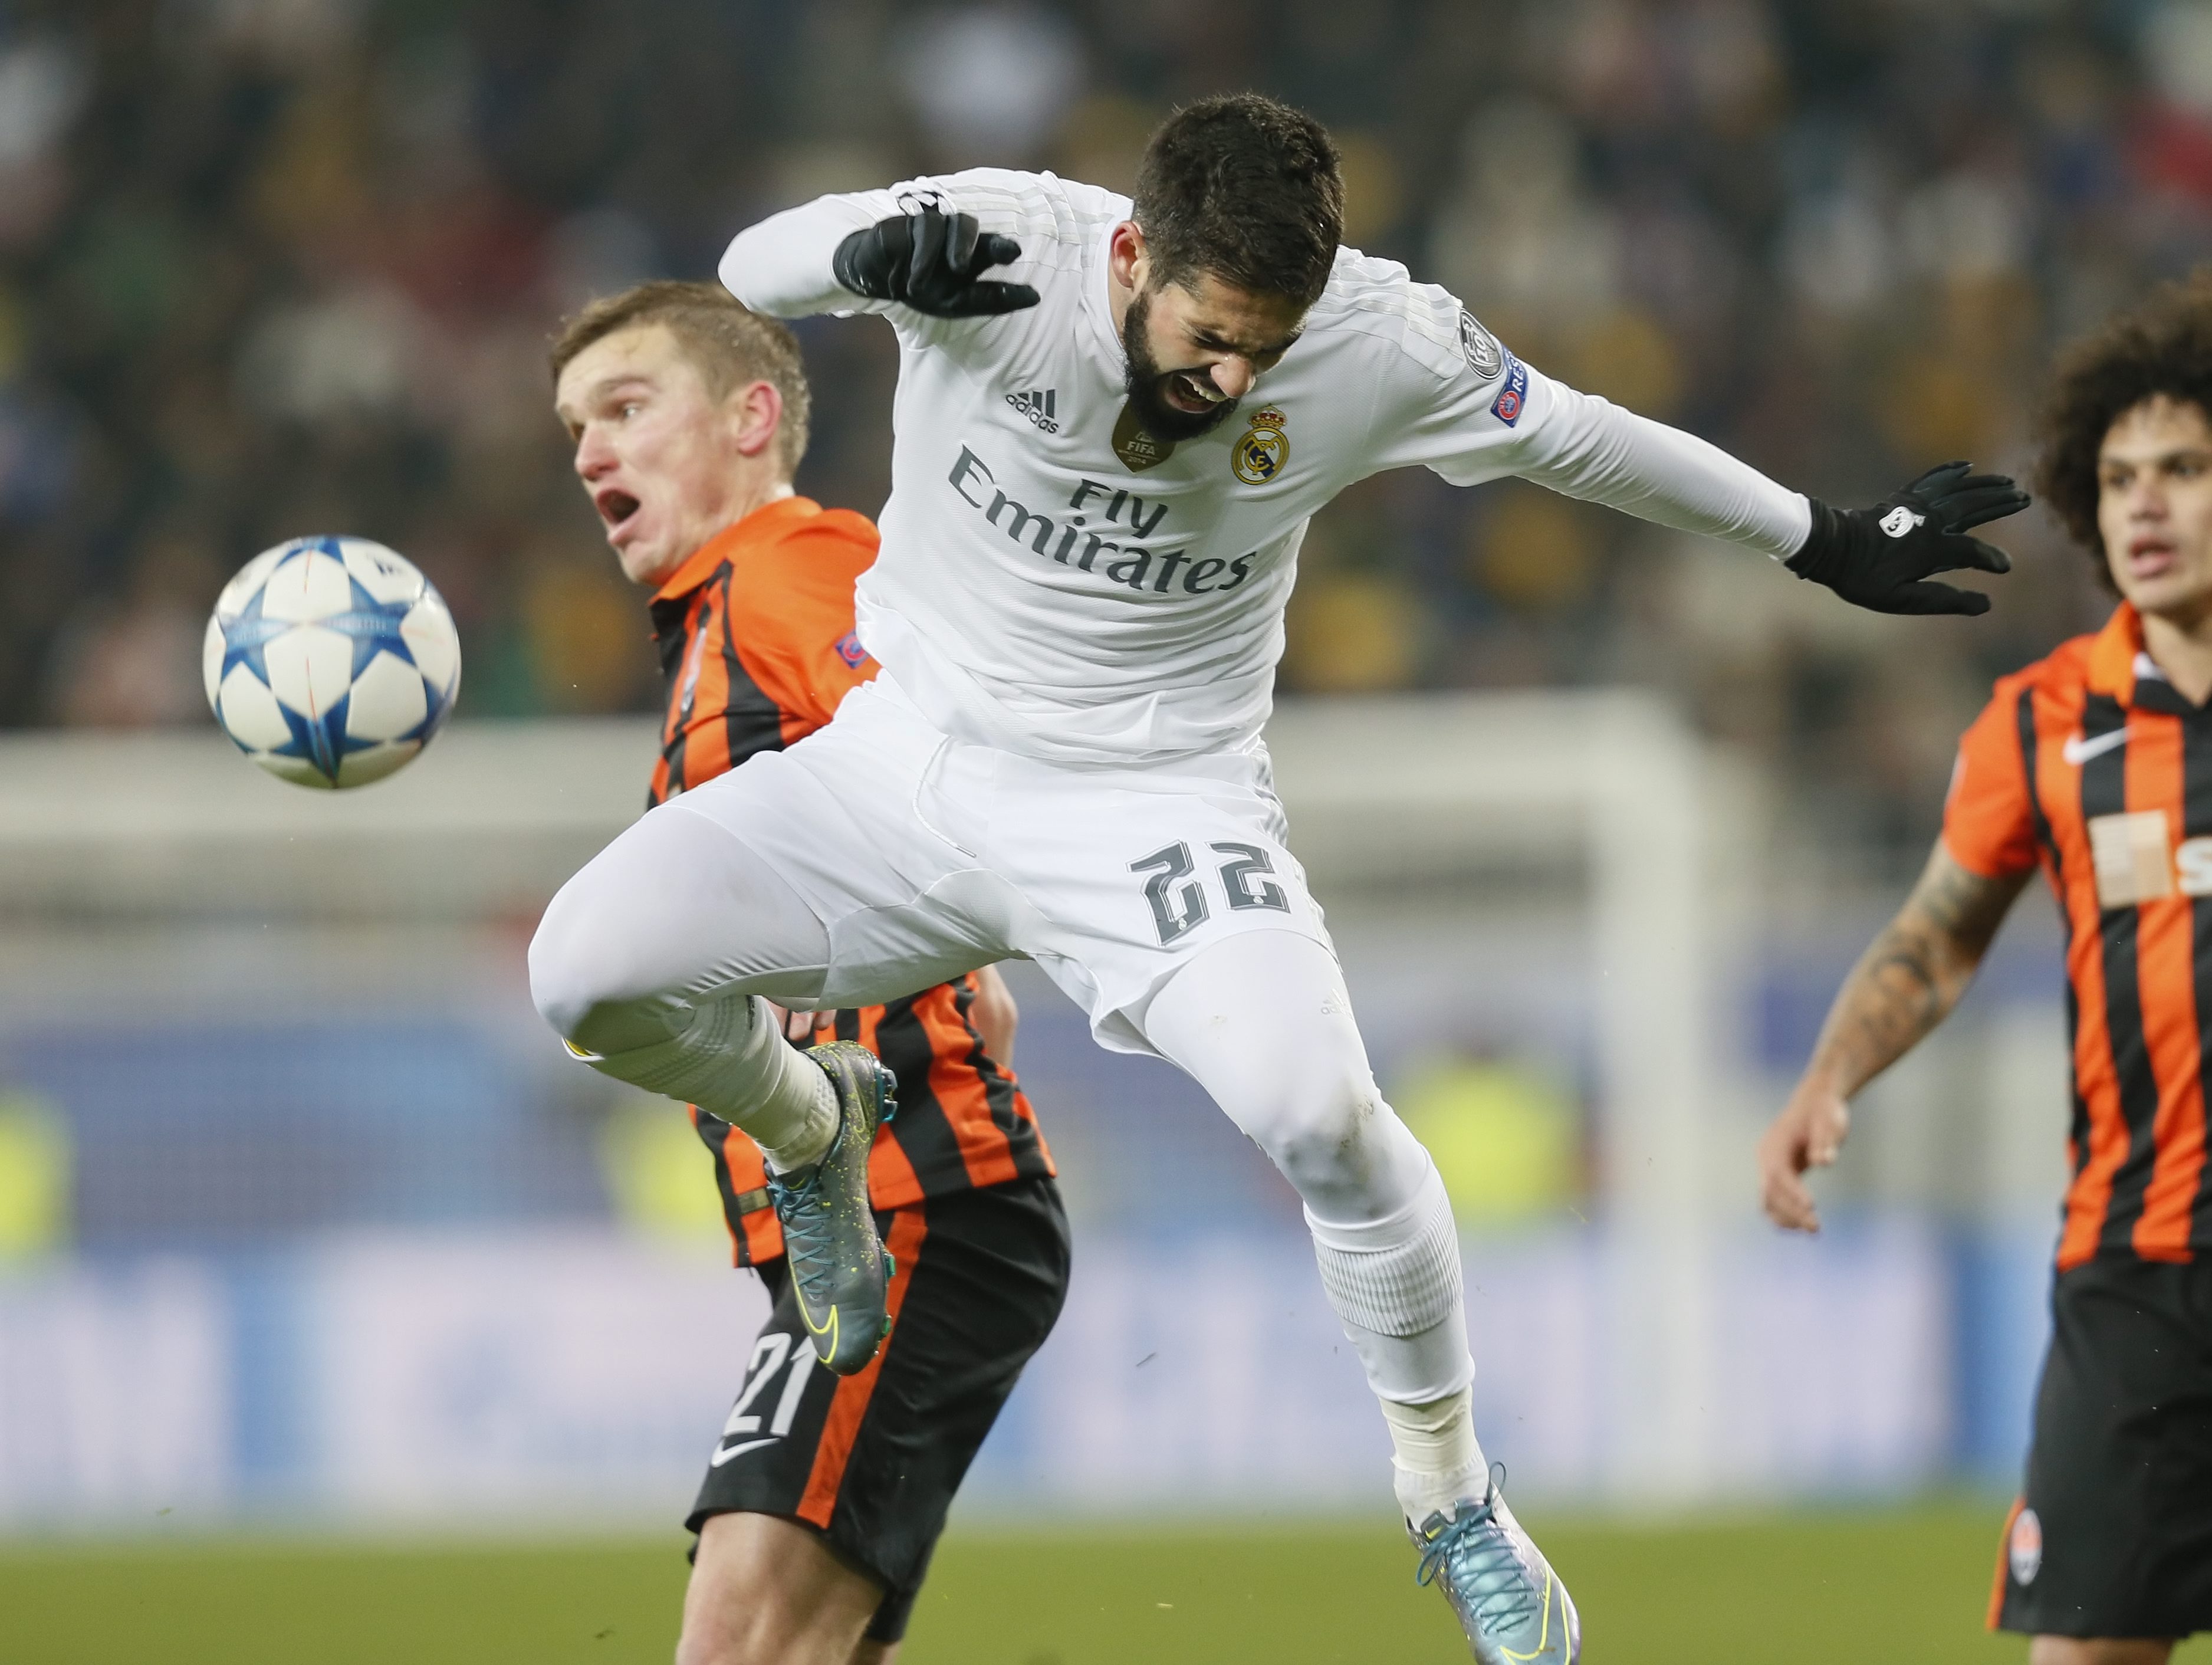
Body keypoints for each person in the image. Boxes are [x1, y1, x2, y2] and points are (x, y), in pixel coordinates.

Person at [530, 95, 2025, 1664]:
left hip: (1154, 808)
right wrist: (860, 250)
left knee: (1324, 1119)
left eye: (1266, 343)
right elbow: (752, 269)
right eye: (1208, 335)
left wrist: (1826, 539)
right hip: (906, 767)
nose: (1233, 377)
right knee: (588, 972)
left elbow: (1581, 437)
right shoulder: (1004, 246)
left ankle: (1453, 1500)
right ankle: (815, 1124)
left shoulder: (1383, 342)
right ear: (1129, 254)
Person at [549, 280, 1068, 1665]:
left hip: (914, 1201)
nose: (593, 449)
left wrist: (979, 936)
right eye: (576, 426)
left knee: (737, 1647)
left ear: (752, 417)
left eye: (628, 405)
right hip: (873, 1223)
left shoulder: (790, 568)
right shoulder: (714, 622)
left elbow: (960, 762)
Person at [1759, 274, 2212, 1664]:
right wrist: (1829, 1074)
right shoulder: (2044, 718)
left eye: (2184, 470)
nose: (2143, 505)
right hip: (2132, 1275)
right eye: (2119, 476)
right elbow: (1934, 936)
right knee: (2077, 1652)